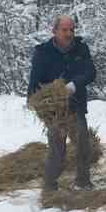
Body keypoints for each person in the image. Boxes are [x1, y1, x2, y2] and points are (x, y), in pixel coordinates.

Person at [27, 15, 97, 191]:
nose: (69, 33)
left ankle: (83, 183)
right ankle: (50, 187)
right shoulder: (43, 52)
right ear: (55, 31)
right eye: (64, 30)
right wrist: (37, 104)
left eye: (71, 30)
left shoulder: (81, 49)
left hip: (76, 106)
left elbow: (91, 72)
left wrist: (74, 85)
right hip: (55, 111)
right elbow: (34, 81)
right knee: (57, 149)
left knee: (83, 146)